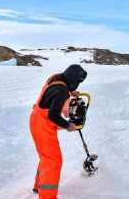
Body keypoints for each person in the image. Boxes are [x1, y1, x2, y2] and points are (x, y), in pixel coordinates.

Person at [30, 64, 87, 198]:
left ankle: (39, 187)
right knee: (53, 161)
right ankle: (47, 196)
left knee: (47, 158)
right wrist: (68, 126)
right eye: (77, 82)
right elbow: (53, 115)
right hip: (43, 124)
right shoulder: (61, 89)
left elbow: (53, 95)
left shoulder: (56, 79)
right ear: (72, 79)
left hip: (39, 120)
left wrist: (69, 93)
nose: (78, 84)